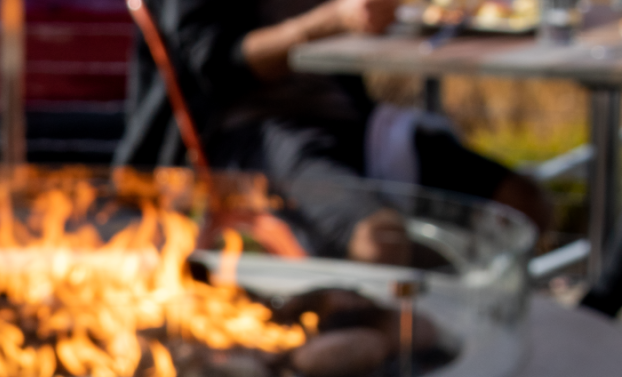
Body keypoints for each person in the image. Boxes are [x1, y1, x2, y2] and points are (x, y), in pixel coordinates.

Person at [113, 0, 550, 261]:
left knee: (523, 202)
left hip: (354, 120)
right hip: (246, 132)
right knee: (379, 239)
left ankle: (438, 319)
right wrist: (328, 21)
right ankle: (384, 343)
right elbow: (214, 65)